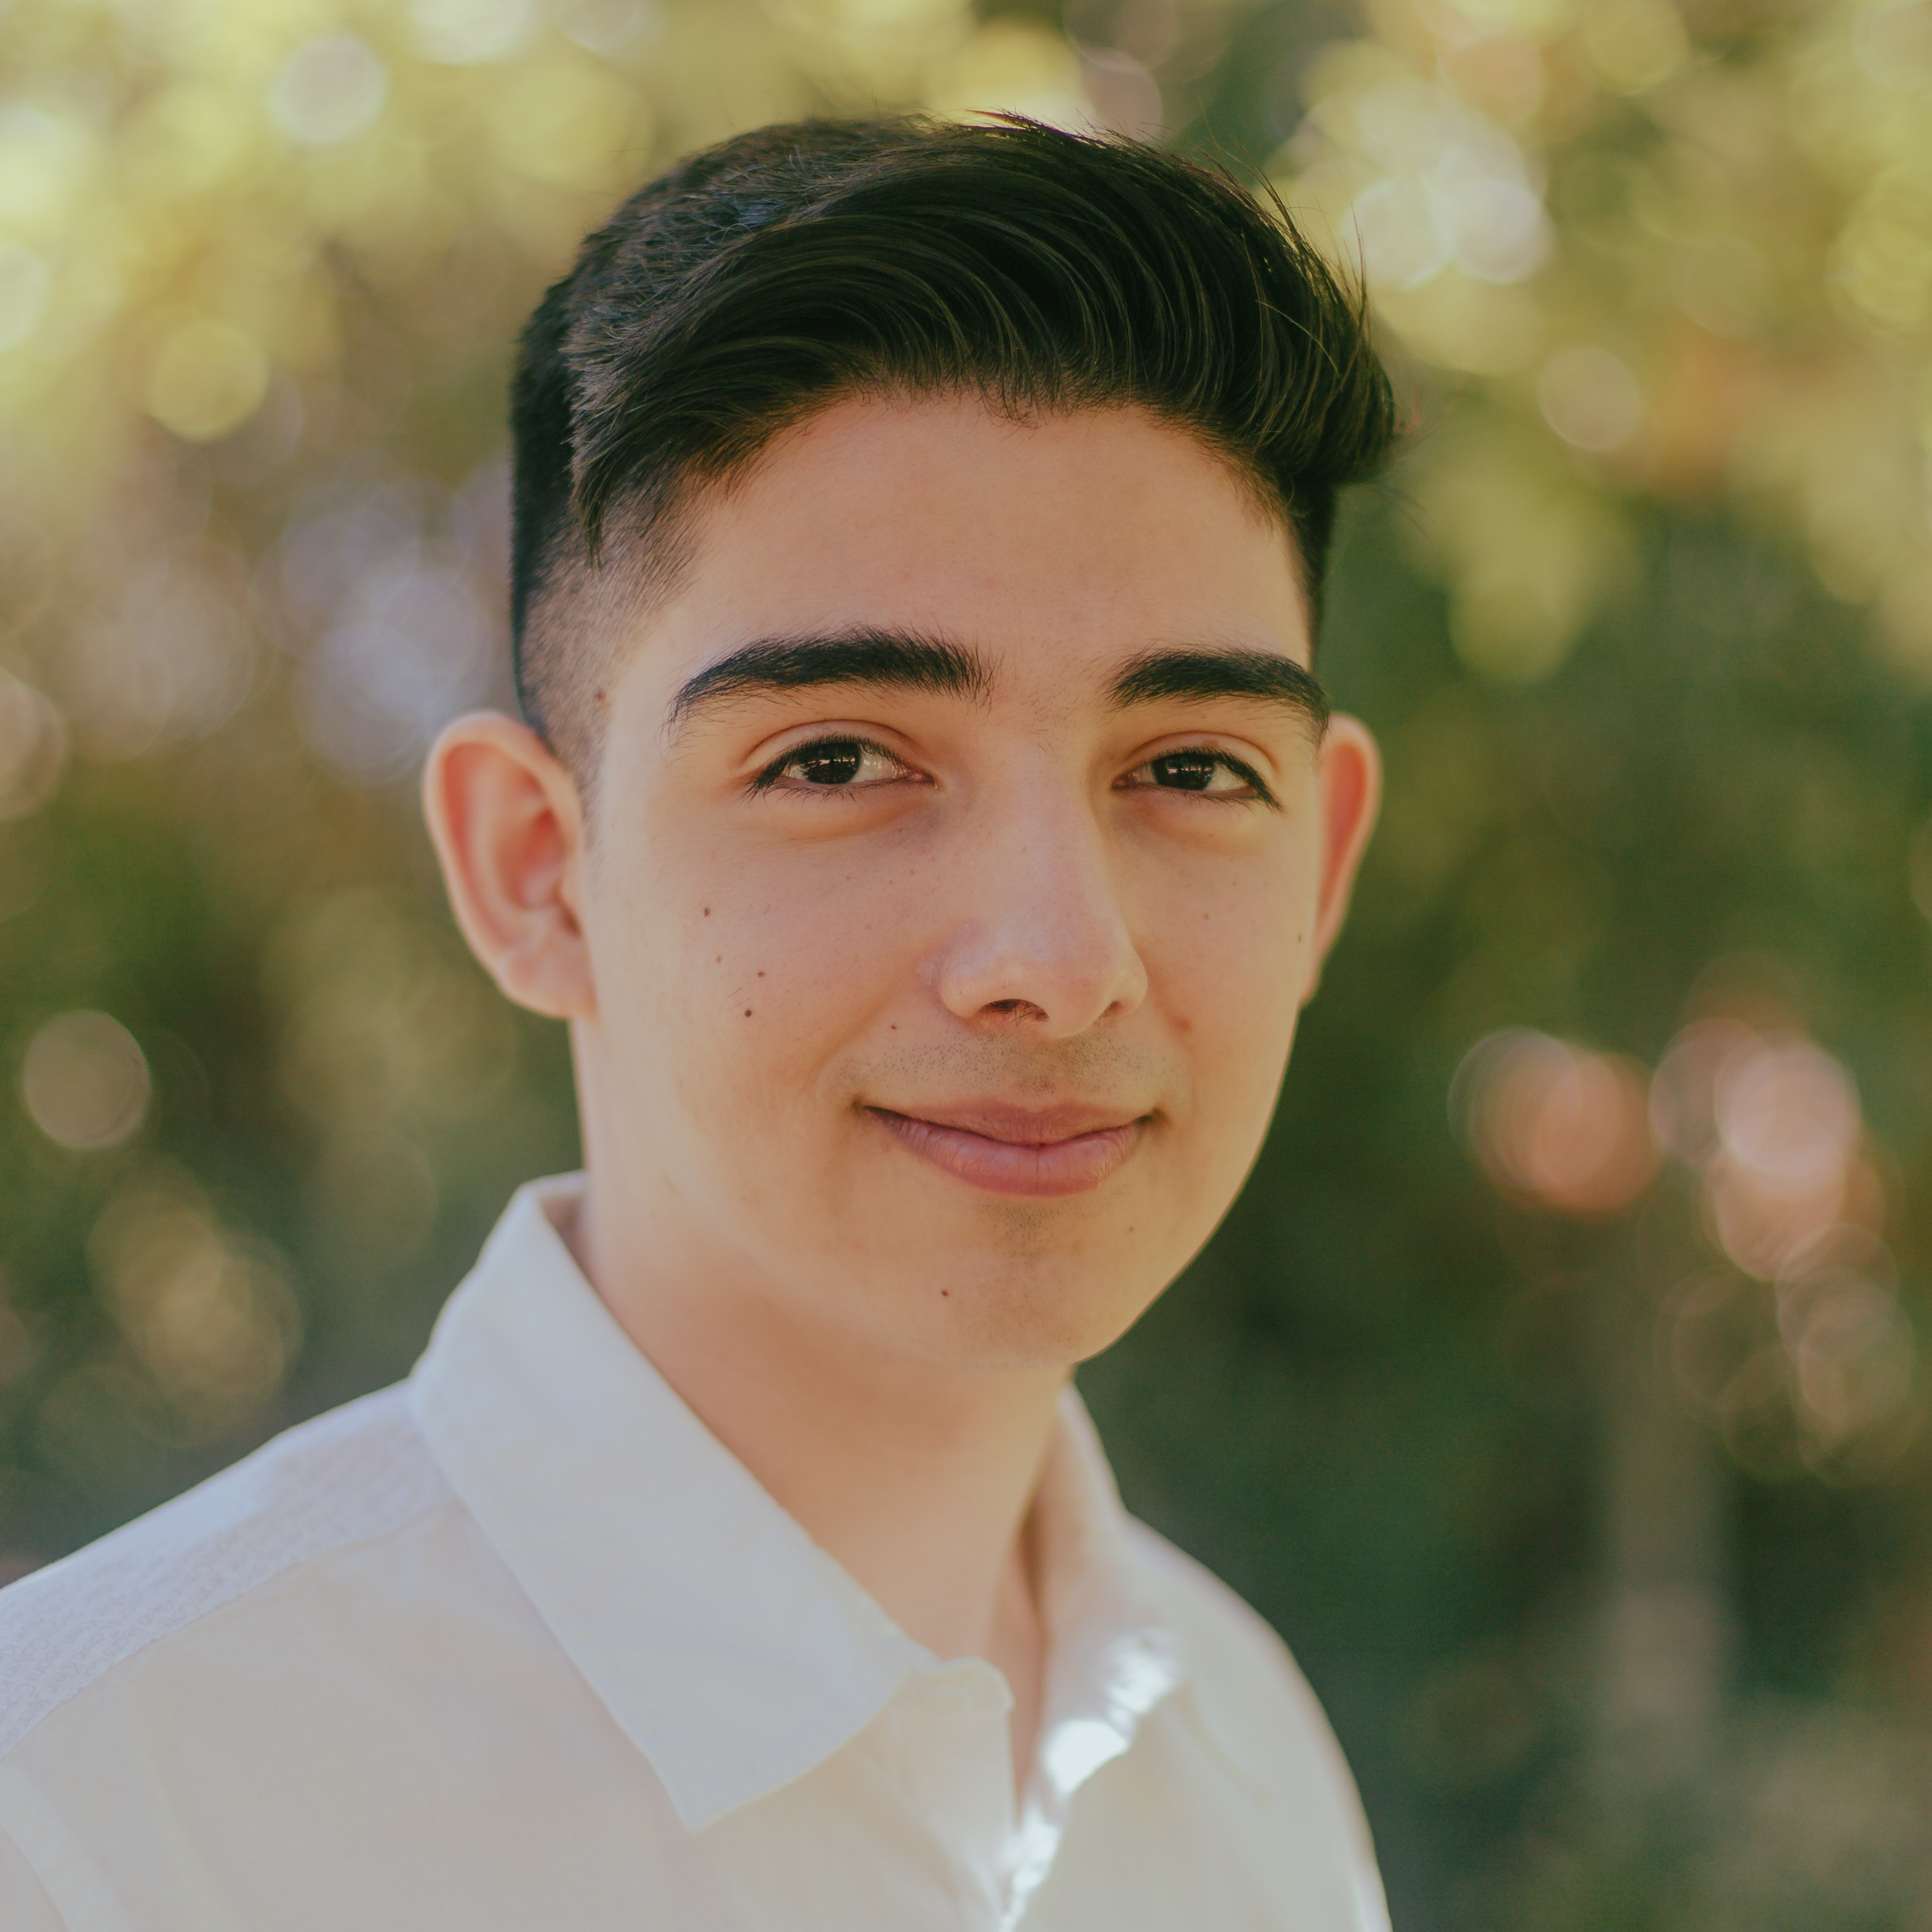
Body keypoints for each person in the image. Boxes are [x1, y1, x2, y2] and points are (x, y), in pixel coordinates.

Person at [0, 116, 1395, 1929]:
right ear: (536, 870)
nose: (1058, 953)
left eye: (1192, 767)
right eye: (837, 758)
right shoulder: (101, 1803)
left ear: (1326, 861)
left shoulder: (1241, 1754)